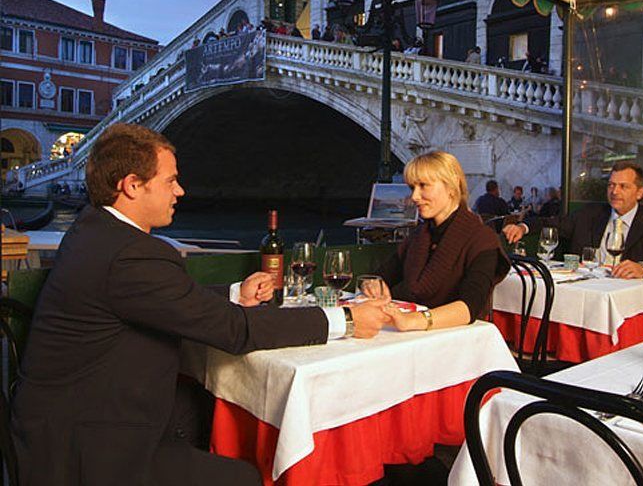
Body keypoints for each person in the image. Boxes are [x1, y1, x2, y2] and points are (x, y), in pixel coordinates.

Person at [11, 123, 388, 486]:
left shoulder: (95, 231)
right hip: (87, 450)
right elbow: (236, 331)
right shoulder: (130, 254)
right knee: (244, 478)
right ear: (131, 186)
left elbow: (163, 299)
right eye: (170, 181)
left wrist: (234, 293)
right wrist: (346, 319)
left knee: (200, 412)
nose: (181, 191)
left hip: (72, 420)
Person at [362, 151, 509, 331]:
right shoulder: (417, 236)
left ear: (451, 186)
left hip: (453, 341)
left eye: (423, 185)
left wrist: (412, 321)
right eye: (412, 187)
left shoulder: (482, 239)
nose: (414, 196)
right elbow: (382, 276)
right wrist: (373, 285)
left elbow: (470, 307)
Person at [503, 161, 643, 279]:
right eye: (611, 185)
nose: (615, 192)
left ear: (639, 192)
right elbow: (552, 224)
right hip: (586, 293)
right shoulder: (590, 214)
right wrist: (522, 227)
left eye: (623, 186)